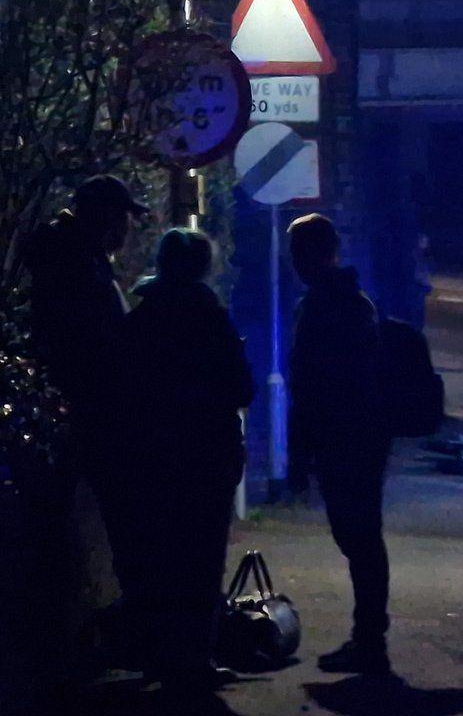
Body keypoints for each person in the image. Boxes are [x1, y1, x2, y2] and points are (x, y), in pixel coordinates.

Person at [16, 174, 147, 696]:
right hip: (88, 414)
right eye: (120, 220)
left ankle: (76, 643)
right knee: (101, 524)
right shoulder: (74, 266)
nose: (124, 233)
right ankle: (75, 648)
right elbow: (90, 344)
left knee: (76, 529)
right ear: (102, 217)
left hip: (83, 411)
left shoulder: (71, 257)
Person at [111, 228, 253, 694]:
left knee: (156, 556)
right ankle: (193, 660)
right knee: (200, 558)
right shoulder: (211, 321)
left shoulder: (142, 318)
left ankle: (155, 652)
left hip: (149, 457)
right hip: (204, 458)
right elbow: (240, 387)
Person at [285, 213, 393, 676]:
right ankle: (369, 637)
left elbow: (315, 381)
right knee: (360, 537)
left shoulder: (326, 306)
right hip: (360, 435)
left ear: (312, 254)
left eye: (297, 252)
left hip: (345, 436)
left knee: (359, 537)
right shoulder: (354, 302)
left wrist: (305, 441)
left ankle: (370, 641)